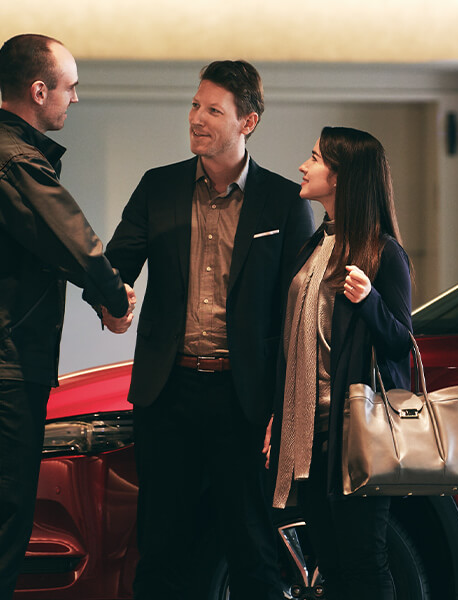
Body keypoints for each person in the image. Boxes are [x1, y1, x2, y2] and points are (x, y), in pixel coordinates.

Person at [98, 60, 315, 599]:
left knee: (252, 549)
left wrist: (285, 408)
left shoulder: (284, 202)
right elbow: (116, 265)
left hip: (245, 400)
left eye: (214, 110)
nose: (197, 118)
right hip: (167, 393)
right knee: (161, 548)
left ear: (248, 122)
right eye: (195, 105)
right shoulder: (159, 187)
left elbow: (298, 317)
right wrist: (111, 303)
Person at [0, 34, 135, 600]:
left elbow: (43, 250)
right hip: (1, 363)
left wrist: (99, 295)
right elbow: (73, 241)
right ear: (39, 89)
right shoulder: (12, 160)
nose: (75, 98)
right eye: (70, 87)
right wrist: (114, 297)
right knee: (1, 531)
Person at [268, 126, 413, 600]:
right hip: (308, 433)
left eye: (314, 158)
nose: (303, 166)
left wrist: (370, 300)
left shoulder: (384, 252)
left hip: (356, 435)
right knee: (329, 565)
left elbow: (401, 344)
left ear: (341, 176)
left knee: (364, 562)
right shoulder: (316, 246)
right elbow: (294, 343)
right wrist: (279, 416)